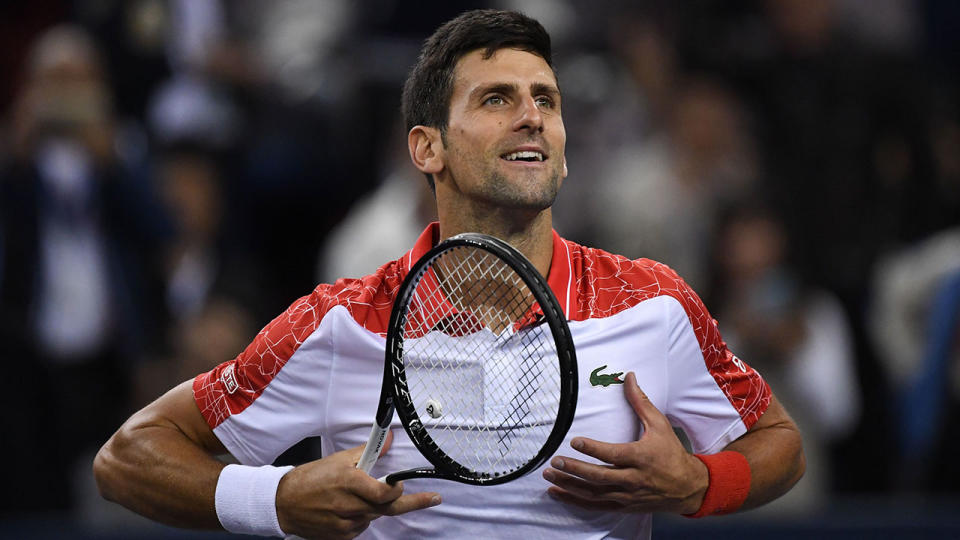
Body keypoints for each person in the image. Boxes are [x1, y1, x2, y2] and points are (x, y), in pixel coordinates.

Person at [94, 9, 804, 539]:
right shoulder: (341, 324)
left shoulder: (652, 302)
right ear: (426, 147)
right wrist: (276, 501)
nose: (532, 117)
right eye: (497, 99)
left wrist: (696, 482)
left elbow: (780, 443)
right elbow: (128, 459)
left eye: (546, 100)